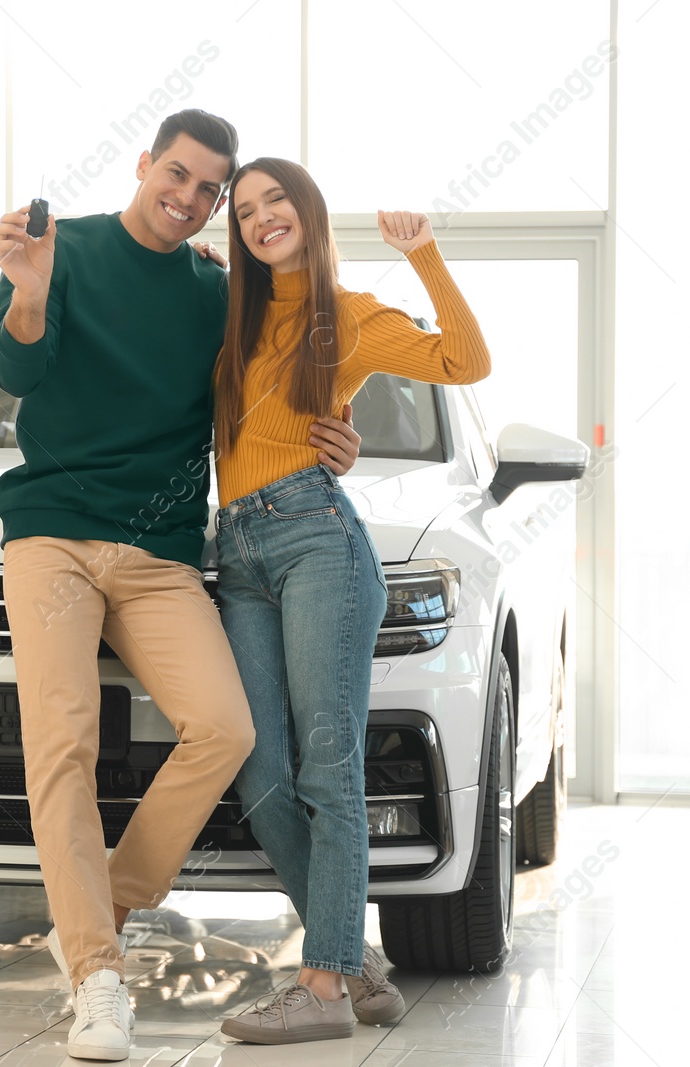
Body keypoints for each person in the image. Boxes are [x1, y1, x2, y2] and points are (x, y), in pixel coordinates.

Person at [0, 113, 362, 1060]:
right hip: (53, 542)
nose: (190, 199)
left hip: (160, 554)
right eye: (180, 176)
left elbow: (274, 380)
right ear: (145, 164)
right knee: (62, 744)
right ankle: (98, 978)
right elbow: (20, 367)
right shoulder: (54, 247)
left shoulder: (214, 292)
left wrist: (336, 432)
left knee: (228, 728)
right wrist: (27, 292)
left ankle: (102, 904)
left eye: (210, 189)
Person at [211, 157, 492, 1045]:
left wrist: (426, 256)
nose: (262, 219)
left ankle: (323, 982)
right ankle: (358, 967)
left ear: (308, 208)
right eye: (247, 210)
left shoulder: (350, 318)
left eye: (275, 200)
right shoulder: (235, 318)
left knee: (328, 768)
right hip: (238, 549)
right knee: (260, 773)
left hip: (316, 539)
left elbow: (465, 358)